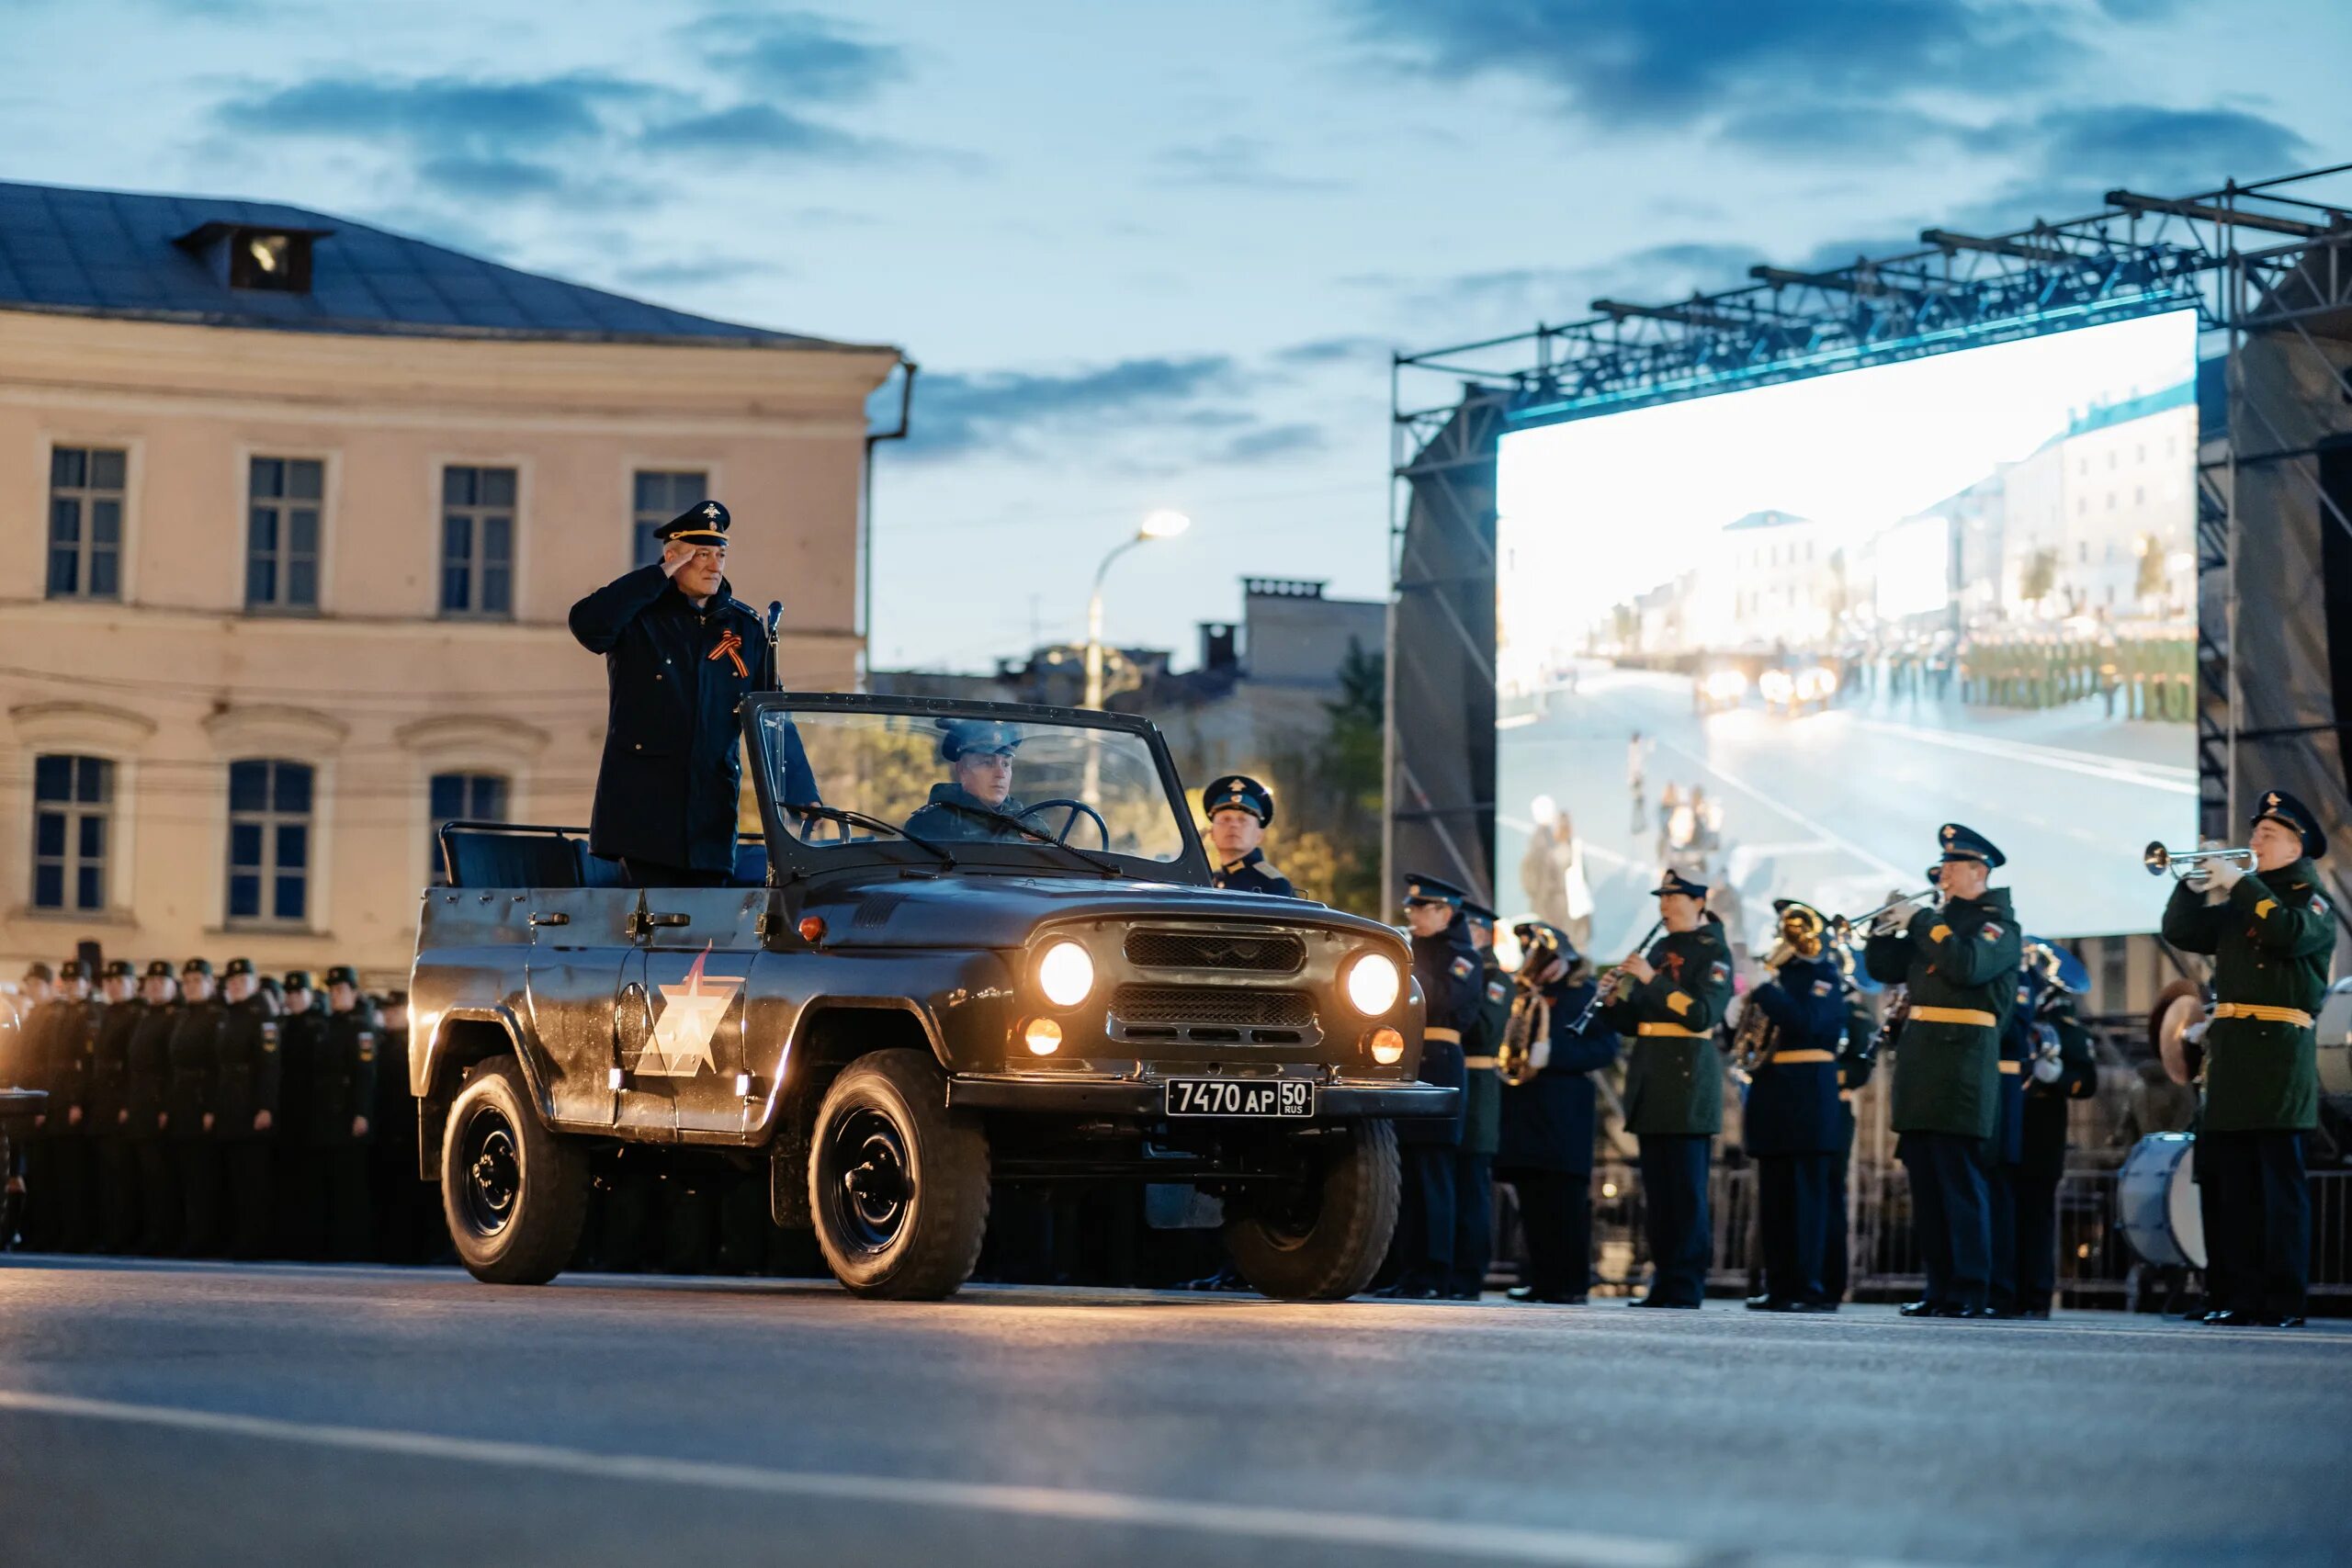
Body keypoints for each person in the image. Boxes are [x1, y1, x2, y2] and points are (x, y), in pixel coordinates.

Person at [2161, 789, 2335, 1328]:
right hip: (2233, 1056)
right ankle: (2231, 1293)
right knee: (2228, 1184)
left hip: (2277, 1055)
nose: (2254, 838)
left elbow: (2286, 933)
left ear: (2296, 845)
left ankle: (2282, 1300)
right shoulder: (2244, 899)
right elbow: (2182, 931)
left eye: (2268, 834)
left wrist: (2239, 883)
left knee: (2275, 1188)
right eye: (2255, 830)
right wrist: (2191, 889)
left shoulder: (2309, 897)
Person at [567, 500, 799, 886]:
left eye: (720, 554)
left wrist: (802, 792)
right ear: (673, 558)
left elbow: (772, 717)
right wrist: (656, 576)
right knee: (652, 933)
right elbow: (589, 625)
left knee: (706, 938)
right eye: (701, 554)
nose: (714, 565)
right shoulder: (638, 617)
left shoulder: (745, 628)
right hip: (644, 818)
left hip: (711, 816)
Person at [1864, 823, 2021, 1320]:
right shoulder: (1936, 925)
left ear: (1980, 872)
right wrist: (1884, 925)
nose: (1944, 874)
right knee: (1927, 1186)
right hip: (1921, 1063)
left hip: (1961, 1065)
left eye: (1953, 867)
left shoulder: (1998, 926)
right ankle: (1939, 1287)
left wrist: (1924, 921)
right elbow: (1885, 967)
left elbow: (1967, 965)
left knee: (1959, 1182)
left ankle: (1972, 1288)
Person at [1604, 867, 1733, 1308]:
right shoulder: (1659, 948)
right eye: (1662, 898)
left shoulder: (1713, 952)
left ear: (1698, 901)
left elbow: (1700, 1014)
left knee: (1684, 1193)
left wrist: (1649, 979)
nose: (1665, 906)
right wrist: (1611, 1001)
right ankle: (1664, 1281)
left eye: (1674, 899)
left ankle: (1685, 1283)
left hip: (1685, 1084)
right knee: (1659, 1196)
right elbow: (1636, 1019)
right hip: (1651, 1081)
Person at [1497, 922, 1619, 1303]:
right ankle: (1539, 1278)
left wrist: (1555, 1057)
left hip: (1565, 1107)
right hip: (1527, 1106)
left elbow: (1606, 1048)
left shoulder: (1584, 994)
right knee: (1532, 1201)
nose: (1539, 966)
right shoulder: (1525, 996)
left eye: (1545, 958)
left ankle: (1569, 1283)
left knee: (1565, 1202)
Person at [1739, 901, 1848, 1313]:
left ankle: (1810, 1286)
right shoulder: (1777, 976)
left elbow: (1808, 1023)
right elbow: (1751, 1034)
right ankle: (1780, 1284)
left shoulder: (1825, 976)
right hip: (1772, 1095)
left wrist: (1763, 990)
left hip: (1807, 1097)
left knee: (1807, 1202)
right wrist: (1740, 1010)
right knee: (1775, 1201)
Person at [1380, 873, 1477, 1298]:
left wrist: (1409, 961)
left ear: (1446, 912)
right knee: (1406, 1177)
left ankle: (1435, 1271)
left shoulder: (1463, 958)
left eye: (1423, 908)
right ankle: (1406, 1271)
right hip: (1406, 1063)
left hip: (1440, 1063)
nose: (1414, 916)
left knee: (1434, 1177)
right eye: (1412, 908)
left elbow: (1440, 1000)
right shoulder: (1410, 950)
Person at [2008, 945, 2097, 1318]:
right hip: (2009, 1119)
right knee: (2004, 1210)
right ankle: (2005, 1291)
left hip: (2042, 1125)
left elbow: (2087, 1080)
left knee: (2036, 1215)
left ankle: (2035, 1296)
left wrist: (2059, 1076)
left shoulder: (2065, 1023)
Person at [1448, 898, 1510, 1299]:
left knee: (1471, 1186)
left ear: (1482, 932)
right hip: (1453, 1075)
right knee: (1447, 1183)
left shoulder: (1493, 976)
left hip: (1478, 1079)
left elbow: (1485, 1030)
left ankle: (1469, 1274)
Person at [308, 965, 380, 1262]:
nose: (335, 996)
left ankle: (352, 1246)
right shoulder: (329, 1024)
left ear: (353, 992)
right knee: (327, 1183)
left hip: (348, 1113)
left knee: (349, 1187)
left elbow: (366, 1074)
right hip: (326, 1114)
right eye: (332, 991)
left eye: (340, 990)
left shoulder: (360, 1026)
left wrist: (362, 1113)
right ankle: (331, 1244)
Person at [212, 958, 282, 1260]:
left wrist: (265, 1106)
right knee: (233, 1179)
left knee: (252, 1181)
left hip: (251, 1104)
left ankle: (255, 1241)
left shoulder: (261, 1015)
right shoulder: (230, 1014)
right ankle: (238, 1238)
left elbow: (269, 1066)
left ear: (254, 983)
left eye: (242, 979)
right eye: (232, 980)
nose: (236, 984)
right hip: (229, 1104)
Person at [164, 957, 226, 1257]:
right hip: (182, 1100)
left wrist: (212, 1107)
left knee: (202, 1177)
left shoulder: (216, 1017)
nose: (190, 987)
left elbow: (217, 1066)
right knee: (185, 1175)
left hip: (202, 1100)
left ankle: (204, 1237)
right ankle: (188, 1234)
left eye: (197, 981)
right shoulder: (183, 1016)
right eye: (186, 982)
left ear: (211, 983)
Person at [903, 720, 1040, 843]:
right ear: (962, 770)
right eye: (987, 763)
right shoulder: (930, 825)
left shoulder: (1030, 825)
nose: (1000, 774)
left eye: (1005, 764)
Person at [87, 960, 142, 1253]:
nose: (113, 986)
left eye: (120, 981)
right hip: (103, 1099)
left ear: (133, 984)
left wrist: (125, 1102)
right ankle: (109, 1232)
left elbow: (136, 1064)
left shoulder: (137, 1014)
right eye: (110, 981)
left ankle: (122, 1235)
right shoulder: (106, 1012)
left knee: (123, 1175)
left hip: (121, 1096)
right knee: (107, 1174)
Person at [125, 961, 179, 1254]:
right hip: (140, 1101)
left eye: (162, 981)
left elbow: (172, 1067)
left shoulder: (174, 1017)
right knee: (144, 1176)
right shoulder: (146, 1016)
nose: (156, 985)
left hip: (159, 1102)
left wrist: (165, 1106)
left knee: (160, 1177)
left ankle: (161, 1236)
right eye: (152, 981)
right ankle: (148, 1233)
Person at [1202, 774, 1294, 896]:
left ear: (1259, 835)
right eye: (1225, 819)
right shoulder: (1207, 881)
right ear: (1212, 833)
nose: (1233, 825)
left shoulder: (1272, 885)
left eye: (1243, 820)